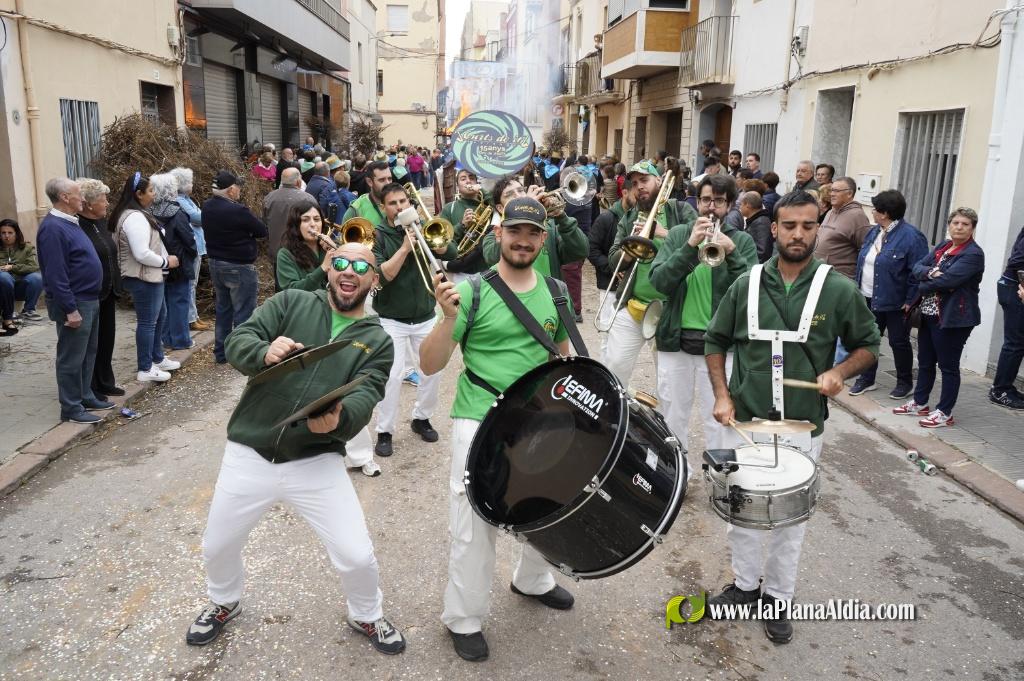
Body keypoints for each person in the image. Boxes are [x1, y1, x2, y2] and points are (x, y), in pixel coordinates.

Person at [185, 242, 405, 654]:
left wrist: (338, 421)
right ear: (328, 270)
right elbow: (240, 339)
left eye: (362, 265)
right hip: (249, 451)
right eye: (340, 261)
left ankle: (365, 613)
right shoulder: (291, 302)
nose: (349, 270)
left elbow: (367, 394)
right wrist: (262, 351)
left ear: (374, 280)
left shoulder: (377, 341)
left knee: (356, 556)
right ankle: (224, 600)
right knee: (217, 545)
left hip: (314, 460)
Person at [703, 190, 880, 643]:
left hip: (802, 426)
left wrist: (839, 372)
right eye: (789, 226)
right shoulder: (746, 284)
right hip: (748, 424)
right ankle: (745, 586)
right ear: (774, 228)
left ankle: (778, 597)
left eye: (807, 225)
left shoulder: (837, 288)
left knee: (789, 521)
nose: (797, 234)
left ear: (817, 228)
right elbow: (715, 341)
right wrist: (722, 396)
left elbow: (867, 345)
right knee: (742, 513)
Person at [419, 195, 576, 663]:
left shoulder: (555, 290)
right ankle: (463, 617)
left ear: (542, 240)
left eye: (532, 234)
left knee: (547, 507)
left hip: (539, 420)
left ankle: (532, 579)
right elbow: (429, 364)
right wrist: (448, 318)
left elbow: (563, 356)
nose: (522, 241)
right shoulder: (472, 292)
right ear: (498, 235)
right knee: (474, 523)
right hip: (479, 418)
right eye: (515, 232)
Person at [648, 174, 757, 456]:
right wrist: (688, 247)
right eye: (706, 200)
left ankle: (721, 478)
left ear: (730, 205)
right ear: (697, 201)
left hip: (721, 347)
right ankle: (678, 474)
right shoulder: (677, 235)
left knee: (721, 419)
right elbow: (659, 282)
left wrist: (732, 253)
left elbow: (751, 294)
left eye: (719, 201)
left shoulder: (741, 241)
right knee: (673, 415)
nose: (711, 207)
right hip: (677, 341)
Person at [370, 183, 455, 457]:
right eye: (393, 203)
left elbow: (450, 254)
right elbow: (384, 276)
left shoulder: (420, 226)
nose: (400, 207)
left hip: (424, 315)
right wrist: (406, 247)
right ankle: (385, 430)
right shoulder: (378, 235)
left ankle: (422, 418)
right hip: (391, 318)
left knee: (432, 372)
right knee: (392, 376)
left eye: (403, 201)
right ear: (383, 208)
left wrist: (432, 239)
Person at [600, 162, 697, 386]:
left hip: (670, 310)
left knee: (669, 381)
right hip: (632, 305)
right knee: (614, 366)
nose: (639, 187)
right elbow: (613, 261)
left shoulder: (679, 210)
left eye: (644, 180)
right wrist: (630, 248)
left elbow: (699, 241)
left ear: (659, 181)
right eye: (634, 184)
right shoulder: (629, 218)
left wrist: (662, 233)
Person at [894, 208, 985, 428]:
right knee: (925, 362)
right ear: (949, 225)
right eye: (955, 223)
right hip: (928, 314)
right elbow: (917, 266)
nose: (959, 227)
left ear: (972, 228)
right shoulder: (944, 246)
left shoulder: (973, 254)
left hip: (954, 318)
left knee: (948, 366)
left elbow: (949, 281)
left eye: (965, 224)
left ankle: (945, 412)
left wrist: (926, 281)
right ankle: (920, 402)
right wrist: (931, 273)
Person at [36, 178, 111, 422]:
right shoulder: (53, 228)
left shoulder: (71, 222)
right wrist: (70, 309)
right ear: (65, 198)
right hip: (75, 302)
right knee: (71, 356)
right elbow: (56, 274)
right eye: (79, 194)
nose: (83, 198)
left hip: (89, 298)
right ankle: (70, 407)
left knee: (88, 352)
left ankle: (85, 394)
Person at [849, 190, 929, 399]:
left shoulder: (912, 237)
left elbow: (917, 271)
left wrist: (910, 300)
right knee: (868, 340)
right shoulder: (874, 232)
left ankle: (904, 382)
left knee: (898, 342)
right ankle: (867, 378)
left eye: (875, 209)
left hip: (895, 302)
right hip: (867, 296)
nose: (872, 212)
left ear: (884, 213)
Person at [112, 173, 182, 383]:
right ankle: (145, 367)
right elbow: (141, 252)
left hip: (151, 276)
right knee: (148, 322)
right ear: (138, 194)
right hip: (143, 278)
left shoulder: (138, 213)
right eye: (150, 191)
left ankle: (157, 358)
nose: (154, 194)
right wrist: (165, 262)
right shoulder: (134, 218)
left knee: (159, 316)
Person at [203, 170, 268, 364]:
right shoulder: (237, 210)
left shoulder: (207, 206)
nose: (240, 190)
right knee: (244, 312)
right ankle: (242, 352)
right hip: (238, 265)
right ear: (231, 190)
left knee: (224, 309)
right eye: (238, 187)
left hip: (216, 263)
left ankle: (221, 352)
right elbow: (261, 230)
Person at [480, 176, 588, 284]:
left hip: (548, 297)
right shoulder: (493, 236)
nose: (518, 196)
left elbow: (581, 251)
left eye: (521, 190)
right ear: (500, 208)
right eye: (509, 194)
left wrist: (561, 216)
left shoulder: (549, 228)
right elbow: (493, 258)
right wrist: (526, 206)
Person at [76, 179, 124, 397]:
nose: (107, 203)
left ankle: (105, 380)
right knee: (90, 343)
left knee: (106, 339)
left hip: (108, 290)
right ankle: (91, 386)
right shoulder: (78, 226)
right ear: (89, 204)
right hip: (91, 293)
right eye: (103, 199)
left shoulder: (101, 223)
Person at [150, 173, 198, 351]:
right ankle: (181, 340)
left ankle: (167, 338)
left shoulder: (149, 211)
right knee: (179, 302)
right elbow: (188, 239)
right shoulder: (177, 212)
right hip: (179, 262)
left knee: (164, 303)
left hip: (158, 262)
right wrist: (191, 255)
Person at [169, 167, 209, 332]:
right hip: (191, 246)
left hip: (196, 245)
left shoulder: (186, 199)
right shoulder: (180, 201)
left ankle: (194, 316)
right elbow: (198, 218)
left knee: (192, 284)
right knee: (190, 284)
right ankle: (191, 318)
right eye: (190, 182)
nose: (193, 185)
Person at [990, 225, 1024, 409]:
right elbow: (1017, 261)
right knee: (1015, 343)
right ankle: (1000, 390)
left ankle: (1006, 387)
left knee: (1017, 342)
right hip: (1014, 288)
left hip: (1011, 286)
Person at [440, 167, 489, 283]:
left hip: (488, 269)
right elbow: (443, 242)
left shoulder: (488, 205)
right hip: (461, 272)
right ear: (457, 186)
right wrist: (462, 225)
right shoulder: (449, 209)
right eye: (463, 179)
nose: (468, 181)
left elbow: (500, 200)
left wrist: (482, 190)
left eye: (472, 178)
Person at [818, 177, 871, 279]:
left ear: (849, 194)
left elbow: (865, 250)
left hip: (840, 278)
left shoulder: (857, 216)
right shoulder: (830, 212)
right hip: (822, 275)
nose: (832, 194)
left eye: (837, 191)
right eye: (832, 190)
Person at [263, 167, 318, 263]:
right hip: (300, 253)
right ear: (298, 182)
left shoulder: (269, 197)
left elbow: (264, 223)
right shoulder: (308, 199)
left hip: (276, 252)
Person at [0, 219, 43, 333]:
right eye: (3, 233)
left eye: (10, 233)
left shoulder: (27, 248)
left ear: (16, 233)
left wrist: (13, 267)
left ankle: (28, 311)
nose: (6, 236)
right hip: (2, 288)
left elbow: (33, 266)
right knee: (4, 277)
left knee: (37, 277)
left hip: (20, 287)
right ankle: (8, 314)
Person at [342, 160, 392, 225]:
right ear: (369, 182)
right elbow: (343, 234)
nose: (388, 183)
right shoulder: (355, 210)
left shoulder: (400, 201)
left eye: (390, 179)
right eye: (382, 180)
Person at [738, 191, 773, 263]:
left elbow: (762, 252)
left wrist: (750, 267)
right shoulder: (757, 220)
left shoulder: (761, 223)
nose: (740, 207)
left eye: (741, 204)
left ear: (747, 205)